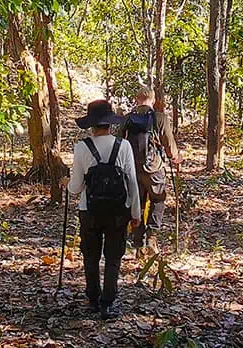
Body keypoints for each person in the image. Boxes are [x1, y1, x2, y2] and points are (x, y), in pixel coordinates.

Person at [64, 99, 140, 320]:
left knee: (91, 255)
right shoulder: (123, 146)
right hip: (118, 211)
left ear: (91, 125)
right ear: (110, 124)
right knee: (113, 256)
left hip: (89, 210)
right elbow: (132, 182)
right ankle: (108, 302)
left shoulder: (82, 148)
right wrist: (135, 213)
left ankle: (93, 299)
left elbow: (76, 188)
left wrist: (66, 185)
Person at [115, 88, 181, 257]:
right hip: (154, 168)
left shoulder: (127, 119)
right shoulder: (160, 118)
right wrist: (176, 157)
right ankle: (152, 237)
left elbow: (119, 143)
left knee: (137, 204)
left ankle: (138, 245)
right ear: (153, 100)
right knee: (158, 199)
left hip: (132, 169)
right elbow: (169, 143)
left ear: (137, 99)